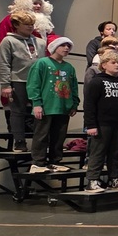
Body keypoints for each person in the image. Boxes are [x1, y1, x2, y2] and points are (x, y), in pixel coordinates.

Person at [82, 51, 118, 193]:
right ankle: (92, 181)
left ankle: (114, 179)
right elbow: (89, 104)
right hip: (102, 124)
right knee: (98, 152)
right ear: (104, 65)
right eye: (113, 62)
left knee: (116, 153)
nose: (117, 65)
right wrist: (91, 125)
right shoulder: (97, 82)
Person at [27, 37, 78, 174]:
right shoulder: (42, 63)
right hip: (46, 107)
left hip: (63, 107)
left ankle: (55, 162)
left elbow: (73, 86)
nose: (66, 48)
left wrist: (74, 104)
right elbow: (33, 84)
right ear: (54, 47)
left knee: (59, 136)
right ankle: (37, 163)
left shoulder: (69, 67)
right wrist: (36, 104)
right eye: (63, 45)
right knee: (41, 135)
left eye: (68, 46)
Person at [0, 12, 44, 152]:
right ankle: (19, 142)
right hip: (18, 79)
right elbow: (4, 63)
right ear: (16, 25)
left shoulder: (40, 42)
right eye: (26, 24)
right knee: (17, 111)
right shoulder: (8, 41)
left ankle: (41, 142)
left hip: (38, 81)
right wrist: (5, 85)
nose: (30, 27)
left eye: (32, 24)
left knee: (41, 111)